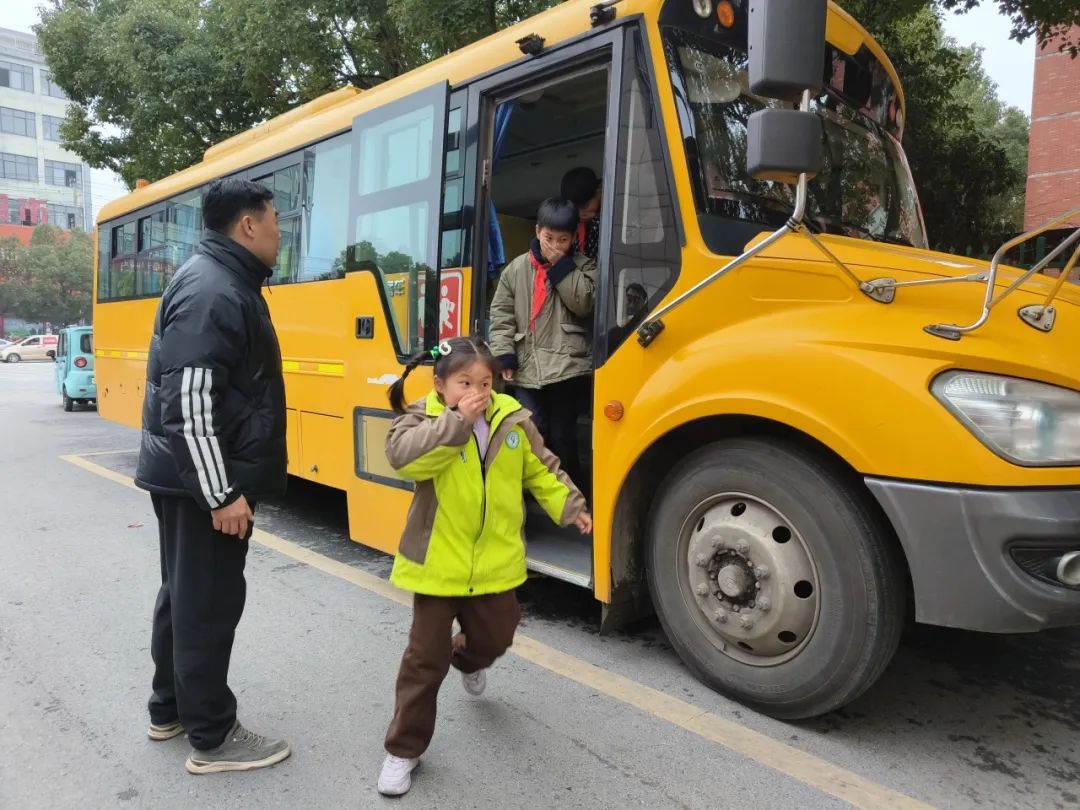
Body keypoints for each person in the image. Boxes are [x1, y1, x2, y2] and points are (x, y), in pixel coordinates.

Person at [378, 337, 592, 796]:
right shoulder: (424, 420)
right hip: (438, 565)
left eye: (484, 381)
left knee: (498, 635)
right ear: (440, 385)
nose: (477, 390)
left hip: (495, 563)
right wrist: (458, 422)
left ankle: (468, 658)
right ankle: (403, 750)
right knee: (423, 660)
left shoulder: (512, 419)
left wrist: (571, 506)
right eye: (464, 382)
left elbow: (541, 468)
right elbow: (406, 461)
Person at [134, 178, 291, 775]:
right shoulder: (216, 290)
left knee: (185, 597)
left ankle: (169, 709)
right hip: (204, 482)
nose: (280, 231)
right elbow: (189, 404)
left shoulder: (215, 278)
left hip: (185, 476)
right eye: (274, 218)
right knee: (208, 605)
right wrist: (221, 493)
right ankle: (214, 736)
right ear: (247, 225)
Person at [489, 198, 595, 489]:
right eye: (549, 238)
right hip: (526, 367)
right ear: (537, 232)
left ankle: (573, 491)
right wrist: (504, 356)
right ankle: (537, 490)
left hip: (567, 369)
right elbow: (501, 316)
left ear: (573, 238)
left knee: (563, 435)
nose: (555, 246)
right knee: (532, 429)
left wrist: (561, 266)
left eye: (563, 240)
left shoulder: (584, 267)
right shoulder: (515, 269)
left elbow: (584, 303)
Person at [560, 166, 601, 261]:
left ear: (598, 193)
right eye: (574, 209)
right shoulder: (569, 225)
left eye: (584, 206)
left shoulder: (614, 217)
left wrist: (597, 220)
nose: (580, 213)